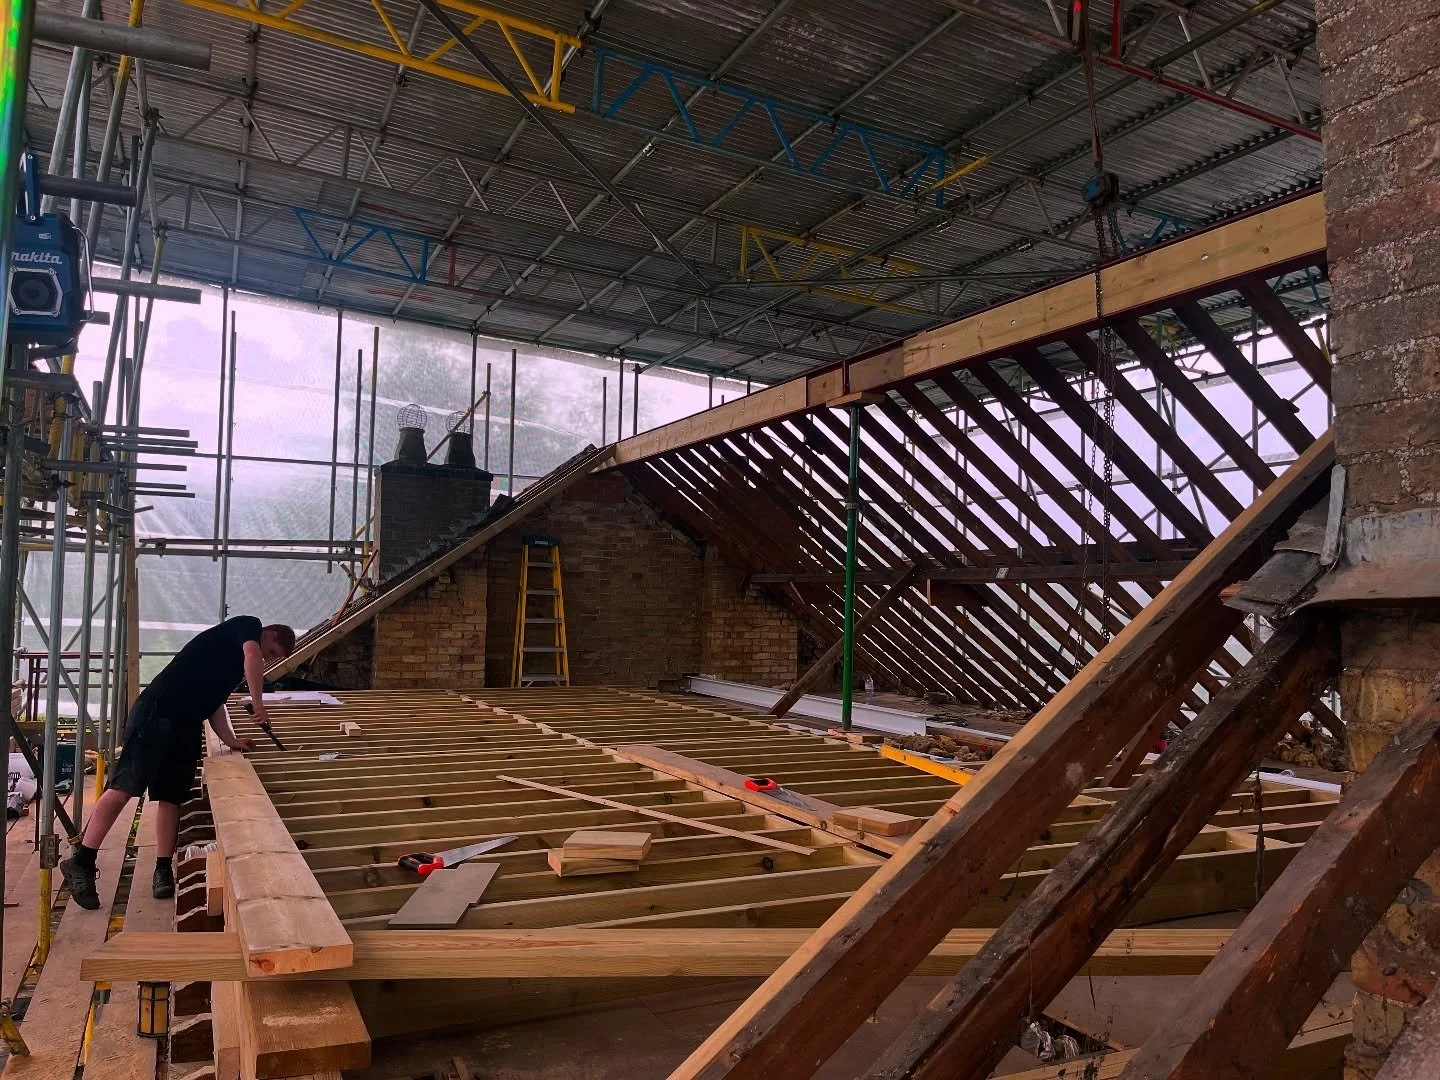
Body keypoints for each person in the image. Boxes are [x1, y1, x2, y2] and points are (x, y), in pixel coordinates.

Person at [60, 617, 296, 908]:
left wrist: (232, 741)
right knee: (124, 787)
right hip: (157, 711)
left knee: (172, 797)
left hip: (185, 724)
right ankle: (82, 860)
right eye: (271, 652)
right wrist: (259, 704)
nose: (266, 659)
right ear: (269, 634)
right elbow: (252, 656)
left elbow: (214, 705)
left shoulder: (231, 666)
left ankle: (162, 868)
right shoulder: (248, 626)